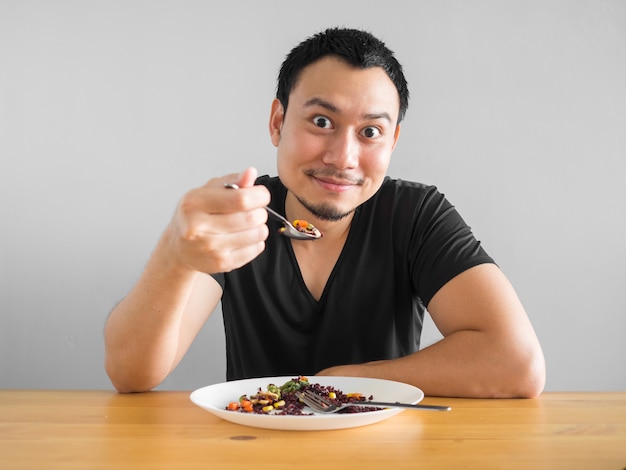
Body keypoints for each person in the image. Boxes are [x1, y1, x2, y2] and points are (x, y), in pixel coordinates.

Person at [104, 27, 545, 398]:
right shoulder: (240, 213)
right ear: (277, 122)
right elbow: (130, 373)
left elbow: (517, 363)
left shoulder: (416, 215)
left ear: (391, 143)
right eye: (321, 122)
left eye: (370, 132)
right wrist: (174, 254)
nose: (343, 157)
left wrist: (342, 382)